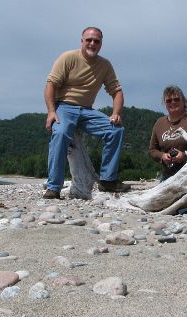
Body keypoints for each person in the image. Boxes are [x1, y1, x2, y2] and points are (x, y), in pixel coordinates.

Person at [43, 26, 130, 199]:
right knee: (60, 134)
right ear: (82, 41)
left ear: (101, 44)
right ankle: (53, 187)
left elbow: (117, 91)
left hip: (86, 111)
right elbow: (50, 85)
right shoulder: (68, 58)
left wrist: (116, 113)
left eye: (96, 41)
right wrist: (51, 111)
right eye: (88, 40)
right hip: (64, 107)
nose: (92, 43)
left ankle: (107, 180)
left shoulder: (104, 65)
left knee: (116, 130)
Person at [149, 85, 187, 181]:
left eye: (176, 99)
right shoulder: (159, 123)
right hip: (168, 177)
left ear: (184, 101)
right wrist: (162, 156)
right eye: (169, 101)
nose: (173, 102)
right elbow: (152, 150)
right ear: (164, 103)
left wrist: (184, 156)